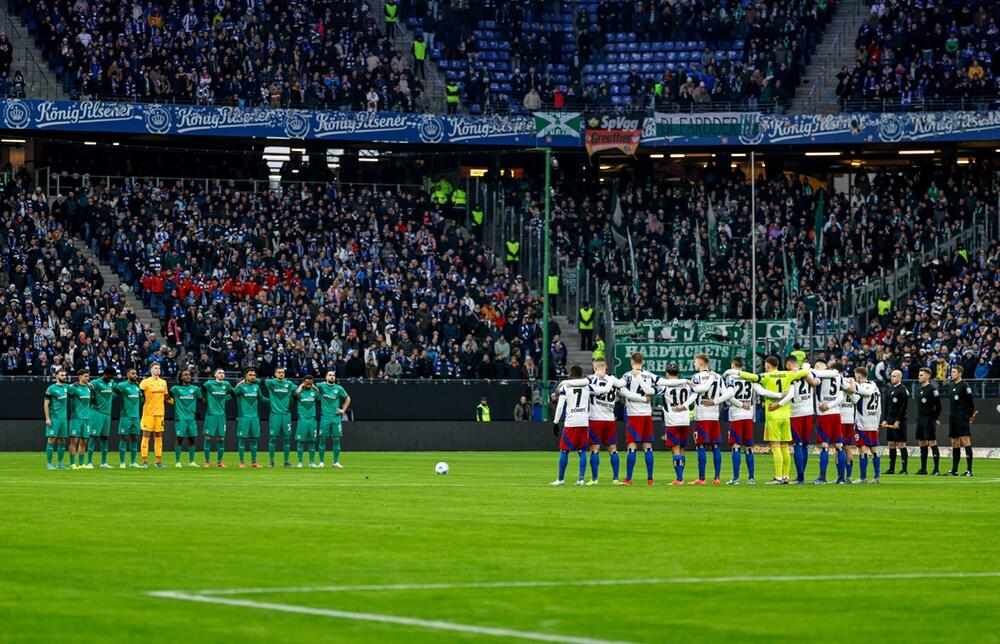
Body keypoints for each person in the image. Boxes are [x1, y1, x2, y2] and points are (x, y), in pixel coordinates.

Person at [729, 356, 805, 484]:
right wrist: (803, 367)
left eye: (765, 365)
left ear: (768, 366)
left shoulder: (767, 376)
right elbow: (805, 372)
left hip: (773, 415)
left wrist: (734, 372)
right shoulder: (788, 374)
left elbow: (753, 377)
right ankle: (786, 476)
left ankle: (778, 477)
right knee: (785, 447)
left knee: (775, 447)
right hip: (786, 415)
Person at [585, 356, 648, 485]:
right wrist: (643, 398)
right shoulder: (613, 380)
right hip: (610, 419)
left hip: (596, 419)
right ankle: (615, 479)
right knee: (613, 448)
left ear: (594, 367)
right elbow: (626, 392)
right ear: (605, 367)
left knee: (594, 448)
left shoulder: (590, 379)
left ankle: (594, 479)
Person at [549, 365, 612, 486]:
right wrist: (610, 380)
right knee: (582, 451)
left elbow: (560, 405)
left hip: (571, 422)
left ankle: (560, 479)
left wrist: (556, 422)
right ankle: (581, 478)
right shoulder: (587, 386)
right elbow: (603, 390)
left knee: (564, 450)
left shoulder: (565, 387)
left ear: (571, 374)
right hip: (583, 422)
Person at [619, 352, 657, 485]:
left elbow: (622, 389)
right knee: (648, 447)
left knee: (632, 446)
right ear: (643, 361)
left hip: (634, 415)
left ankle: (629, 478)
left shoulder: (628, 375)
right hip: (646, 414)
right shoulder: (649, 375)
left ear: (631, 361)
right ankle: (650, 478)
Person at [689, 353, 725, 485]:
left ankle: (702, 478)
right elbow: (727, 394)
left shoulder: (696, 377)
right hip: (714, 416)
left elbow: (695, 393)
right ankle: (717, 478)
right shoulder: (718, 377)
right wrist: (715, 401)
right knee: (716, 446)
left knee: (701, 446)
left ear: (700, 363)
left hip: (701, 416)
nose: (694, 364)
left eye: (695, 362)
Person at [657, 363, 695, 485]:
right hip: (685, 420)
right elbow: (696, 392)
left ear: (667, 374)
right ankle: (680, 476)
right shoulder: (686, 385)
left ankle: (679, 479)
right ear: (678, 373)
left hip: (673, 421)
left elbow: (652, 390)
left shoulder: (664, 386)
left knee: (675, 448)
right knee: (682, 448)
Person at [811, 361, 846, 484]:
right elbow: (843, 395)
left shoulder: (820, 376)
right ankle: (841, 478)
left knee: (824, 445)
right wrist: (831, 405)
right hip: (836, 413)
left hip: (824, 415)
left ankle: (822, 477)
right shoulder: (839, 377)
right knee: (839, 445)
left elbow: (811, 374)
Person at [846, 367, 882, 483]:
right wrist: (877, 424)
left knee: (863, 450)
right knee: (874, 450)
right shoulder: (875, 388)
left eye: (855, 376)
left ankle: (863, 477)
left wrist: (851, 388)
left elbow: (855, 400)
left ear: (859, 376)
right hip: (873, 423)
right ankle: (876, 477)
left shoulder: (861, 387)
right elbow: (879, 409)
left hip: (862, 423)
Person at [723, 357, 755, 485]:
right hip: (748, 415)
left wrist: (740, 405)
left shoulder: (730, 378)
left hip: (736, 415)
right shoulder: (749, 377)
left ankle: (736, 478)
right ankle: (751, 478)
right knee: (748, 447)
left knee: (736, 446)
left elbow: (729, 397)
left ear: (732, 365)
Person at [316, 370, 351, 468]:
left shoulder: (338, 388)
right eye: (330, 375)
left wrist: (343, 409)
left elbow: (348, 398)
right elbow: (313, 387)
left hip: (336, 418)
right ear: (326, 377)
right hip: (325, 417)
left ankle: (336, 462)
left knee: (336, 440)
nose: (332, 377)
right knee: (322, 439)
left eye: (333, 375)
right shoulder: (321, 386)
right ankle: (321, 462)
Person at [168, 369, 203, 467]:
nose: (188, 376)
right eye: (185, 374)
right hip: (180, 418)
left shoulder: (195, 389)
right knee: (179, 439)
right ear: (181, 377)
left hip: (191, 418)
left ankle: (192, 462)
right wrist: (175, 404)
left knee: (192, 439)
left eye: (189, 375)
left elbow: (201, 400)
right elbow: (166, 398)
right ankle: (178, 461)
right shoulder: (175, 389)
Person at [233, 368, 267, 468]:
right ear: (245, 377)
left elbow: (261, 398)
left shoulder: (256, 387)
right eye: (250, 375)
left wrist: (272, 402)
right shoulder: (241, 388)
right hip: (244, 418)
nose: (253, 377)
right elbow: (232, 393)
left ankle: (254, 462)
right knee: (242, 440)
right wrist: (236, 386)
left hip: (254, 418)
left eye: (254, 375)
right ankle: (242, 462)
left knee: (254, 440)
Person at [946, 365, 976, 477]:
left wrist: (968, 416)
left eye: (953, 372)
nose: (952, 374)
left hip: (962, 417)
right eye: (951, 372)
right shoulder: (952, 386)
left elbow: (970, 403)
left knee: (965, 441)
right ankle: (954, 470)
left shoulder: (965, 386)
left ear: (960, 373)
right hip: (952, 416)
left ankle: (969, 470)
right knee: (954, 443)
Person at [138, 363, 169, 468]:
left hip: (160, 413)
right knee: (146, 436)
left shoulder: (163, 383)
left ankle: (158, 461)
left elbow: (165, 397)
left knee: (158, 437)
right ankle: (144, 461)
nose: (158, 370)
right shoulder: (145, 382)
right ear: (151, 370)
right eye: (155, 368)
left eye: (159, 368)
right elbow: (139, 394)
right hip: (148, 414)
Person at [264, 367, 295, 468]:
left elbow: (299, 390)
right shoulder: (271, 383)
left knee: (287, 439)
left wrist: (304, 385)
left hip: (286, 415)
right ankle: (271, 462)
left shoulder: (289, 384)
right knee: (273, 438)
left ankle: (286, 461)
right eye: (279, 372)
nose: (281, 374)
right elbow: (257, 381)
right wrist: (244, 380)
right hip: (275, 415)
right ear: (275, 374)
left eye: (283, 372)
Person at [202, 369, 233, 467]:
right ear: (215, 375)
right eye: (219, 373)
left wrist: (225, 399)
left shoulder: (226, 384)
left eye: (223, 373)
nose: (222, 374)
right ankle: (207, 461)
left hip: (221, 415)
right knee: (208, 437)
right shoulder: (209, 384)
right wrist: (202, 400)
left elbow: (233, 393)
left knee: (221, 438)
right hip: (211, 414)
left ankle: (219, 462)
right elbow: (199, 391)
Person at [914, 367, 942, 475]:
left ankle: (936, 469)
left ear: (927, 376)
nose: (919, 376)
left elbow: (938, 406)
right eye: (919, 374)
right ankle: (923, 469)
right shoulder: (919, 389)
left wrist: (934, 418)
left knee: (932, 442)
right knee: (922, 442)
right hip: (920, 419)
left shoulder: (932, 389)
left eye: (921, 375)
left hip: (929, 419)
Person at [88, 367, 116, 469]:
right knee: (93, 436)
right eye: (109, 376)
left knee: (105, 438)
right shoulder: (95, 382)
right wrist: (93, 399)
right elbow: (87, 390)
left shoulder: (112, 383)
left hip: (107, 414)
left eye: (112, 377)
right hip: (96, 412)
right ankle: (89, 462)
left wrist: (111, 397)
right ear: (104, 374)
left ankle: (104, 463)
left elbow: (117, 390)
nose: (110, 378)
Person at [114, 369, 143, 468]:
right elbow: (114, 392)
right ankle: (122, 462)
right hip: (125, 417)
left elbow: (142, 400)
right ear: (127, 374)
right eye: (133, 373)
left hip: (136, 417)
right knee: (124, 438)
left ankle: (133, 462)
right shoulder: (122, 385)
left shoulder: (137, 387)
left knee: (135, 437)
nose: (135, 375)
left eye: (136, 373)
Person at [882, 369, 909, 475]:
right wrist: (884, 419)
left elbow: (903, 407)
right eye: (891, 376)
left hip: (899, 421)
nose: (892, 378)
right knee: (891, 444)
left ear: (899, 377)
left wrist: (898, 420)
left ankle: (904, 469)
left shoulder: (903, 390)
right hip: (890, 419)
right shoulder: (889, 389)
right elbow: (886, 406)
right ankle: (891, 468)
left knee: (901, 443)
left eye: (894, 376)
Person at [43, 367, 70, 469]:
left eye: (65, 375)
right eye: (62, 375)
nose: (64, 377)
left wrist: (88, 384)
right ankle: (49, 463)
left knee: (62, 440)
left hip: (64, 419)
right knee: (51, 439)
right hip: (54, 418)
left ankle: (60, 463)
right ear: (56, 376)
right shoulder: (51, 389)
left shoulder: (67, 387)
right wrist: (47, 418)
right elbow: (46, 404)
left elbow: (77, 386)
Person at [66, 369, 93, 469]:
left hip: (86, 419)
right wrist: (75, 383)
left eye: (88, 376)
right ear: (80, 376)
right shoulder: (74, 387)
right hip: (76, 418)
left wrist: (88, 384)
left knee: (84, 442)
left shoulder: (88, 388)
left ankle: (81, 464)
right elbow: (67, 388)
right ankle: (73, 464)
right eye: (86, 376)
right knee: (74, 441)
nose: (88, 378)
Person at [838, 368, 860, 483]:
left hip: (840, 419)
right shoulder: (850, 383)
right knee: (848, 448)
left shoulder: (837, 381)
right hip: (850, 419)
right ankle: (849, 477)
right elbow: (855, 399)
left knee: (838, 448)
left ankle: (840, 476)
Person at [293, 375, 319, 468]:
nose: (309, 385)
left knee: (312, 441)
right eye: (307, 383)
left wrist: (315, 388)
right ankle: (300, 462)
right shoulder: (299, 391)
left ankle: (311, 463)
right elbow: (296, 393)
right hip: (302, 420)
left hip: (312, 420)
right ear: (304, 382)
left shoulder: (314, 392)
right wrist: (300, 386)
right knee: (301, 441)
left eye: (310, 383)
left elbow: (319, 397)